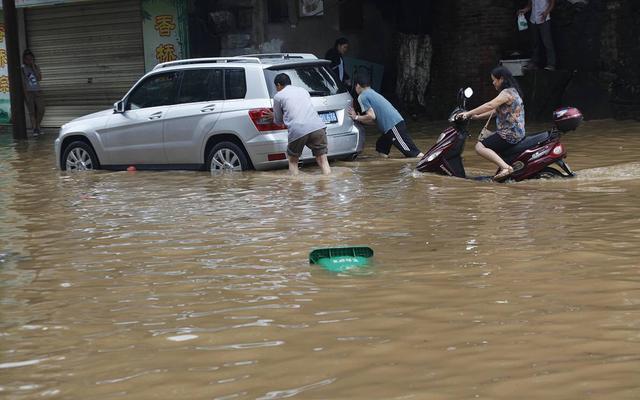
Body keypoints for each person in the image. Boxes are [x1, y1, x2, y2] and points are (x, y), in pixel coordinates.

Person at [460, 66, 526, 180]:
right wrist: (476, 117)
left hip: (509, 134)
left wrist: (468, 113)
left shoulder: (506, 93)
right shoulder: (513, 91)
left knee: (479, 147)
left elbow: (490, 105)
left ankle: (506, 168)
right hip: (516, 132)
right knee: (488, 139)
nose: (493, 83)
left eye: (494, 80)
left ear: (501, 79)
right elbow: (495, 111)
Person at [348, 73, 423, 159]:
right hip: (393, 125)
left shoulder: (362, 96)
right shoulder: (372, 92)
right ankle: (382, 165)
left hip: (393, 126)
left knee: (413, 154)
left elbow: (371, 116)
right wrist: (360, 120)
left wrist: (356, 117)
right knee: (381, 147)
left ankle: (427, 164)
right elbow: (374, 120)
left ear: (357, 85)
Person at [269, 73, 331, 175]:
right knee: (322, 160)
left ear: (279, 85)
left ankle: (296, 189)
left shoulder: (278, 96)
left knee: (293, 161)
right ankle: (327, 187)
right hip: (318, 127)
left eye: (276, 87)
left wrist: (274, 116)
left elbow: (279, 121)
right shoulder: (303, 90)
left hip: (298, 130)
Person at [519, 0, 556, 71]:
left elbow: (552, 3)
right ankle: (534, 63)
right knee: (534, 42)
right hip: (533, 19)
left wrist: (547, 12)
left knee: (547, 42)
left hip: (544, 19)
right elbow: (530, 5)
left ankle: (551, 64)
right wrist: (524, 10)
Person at [21, 49, 45, 136]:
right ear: (24, 59)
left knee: (41, 110)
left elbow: (39, 78)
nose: (29, 60)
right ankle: (35, 129)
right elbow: (23, 82)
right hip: (29, 92)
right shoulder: (22, 68)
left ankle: (37, 126)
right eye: (27, 59)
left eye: (31, 59)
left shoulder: (36, 66)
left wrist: (33, 67)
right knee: (32, 112)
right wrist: (25, 94)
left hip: (38, 91)